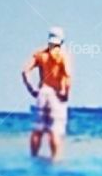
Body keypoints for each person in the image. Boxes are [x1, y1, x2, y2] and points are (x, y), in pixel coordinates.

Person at [22, 26, 71, 160]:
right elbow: (67, 76)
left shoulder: (40, 54)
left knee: (38, 129)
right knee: (54, 131)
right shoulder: (62, 56)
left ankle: (33, 158)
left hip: (42, 93)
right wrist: (66, 93)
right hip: (56, 94)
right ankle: (54, 160)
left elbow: (25, 71)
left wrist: (31, 89)